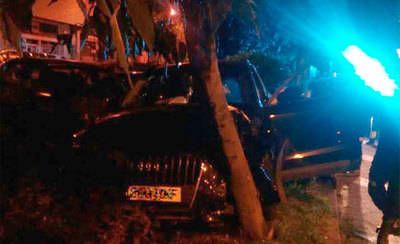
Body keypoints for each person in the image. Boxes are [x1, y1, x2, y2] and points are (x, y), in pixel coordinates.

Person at [368, 93, 400, 244]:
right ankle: (392, 220)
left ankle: (385, 231)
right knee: (375, 187)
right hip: (387, 151)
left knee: (396, 194)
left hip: (390, 154)